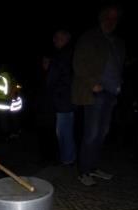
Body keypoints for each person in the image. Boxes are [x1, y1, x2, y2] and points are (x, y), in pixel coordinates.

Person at [72, 5, 125, 186]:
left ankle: (93, 167)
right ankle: (84, 171)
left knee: (103, 133)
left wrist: (119, 86)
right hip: (95, 92)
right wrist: (91, 83)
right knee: (91, 133)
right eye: (108, 17)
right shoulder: (90, 37)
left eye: (115, 18)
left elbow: (119, 67)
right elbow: (78, 63)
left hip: (111, 93)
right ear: (101, 18)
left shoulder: (117, 42)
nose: (111, 21)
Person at [46, 29, 76, 165]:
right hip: (65, 99)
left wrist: (48, 68)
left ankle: (67, 159)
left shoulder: (63, 55)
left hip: (63, 100)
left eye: (59, 37)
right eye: (55, 37)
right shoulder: (67, 54)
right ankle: (67, 157)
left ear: (66, 38)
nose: (55, 40)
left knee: (63, 131)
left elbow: (54, 79)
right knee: (65, 130)